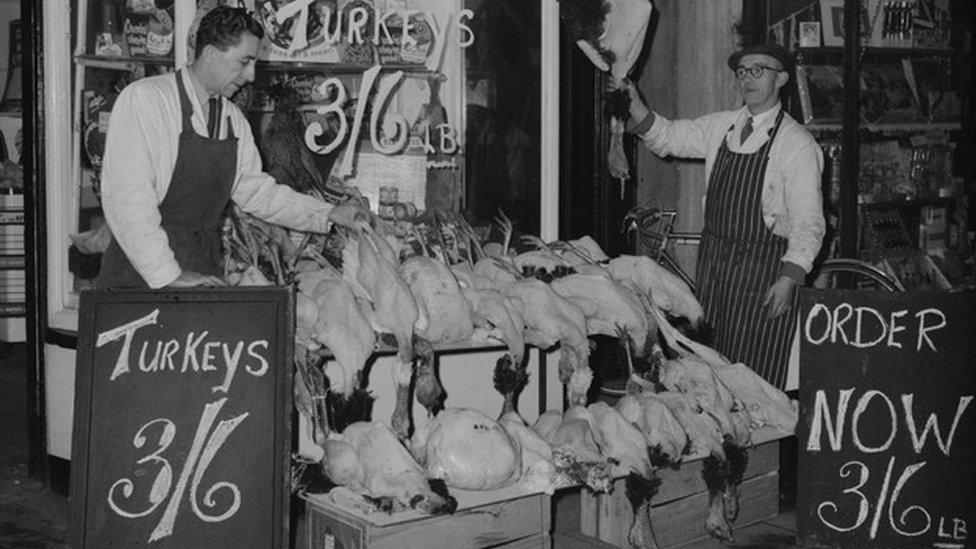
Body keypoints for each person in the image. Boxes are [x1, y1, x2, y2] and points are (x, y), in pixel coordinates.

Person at [98, 6, 358, 289]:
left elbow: (258, 193)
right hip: (140, 278)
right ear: (210, 54)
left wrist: (327, 213)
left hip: (202, 270)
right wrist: (168, 274)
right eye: (244, 62)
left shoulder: (232, 120)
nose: (250, 76)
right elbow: (128, 201)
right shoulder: (147, 100)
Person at [618, 43, 825, 389]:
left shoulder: (797, 143)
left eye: (759, 70)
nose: (747, 78)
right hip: (715, 266)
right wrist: (634, 101)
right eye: (742, 71)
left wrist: (790, 277)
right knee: (712, 366)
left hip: (762, 271)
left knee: (755, 377)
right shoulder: (721, 126)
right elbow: (668, 137)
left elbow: (809, 223)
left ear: (782, 79)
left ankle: (763, 442)